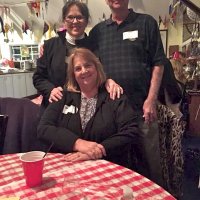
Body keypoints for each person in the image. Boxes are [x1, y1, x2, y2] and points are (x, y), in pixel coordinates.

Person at [89, 0, 166, 186]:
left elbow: (158, 63)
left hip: (142, 108)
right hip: (111, 114)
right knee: (116, 165)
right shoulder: (97, 32)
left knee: (150, 162)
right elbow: (91, 67)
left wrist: (151, 99)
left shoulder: (147, 23)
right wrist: (106, 79)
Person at [37, 48, 140, 168]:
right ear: (73, 74)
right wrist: (78, 143)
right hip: (68, 166)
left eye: (88, 65)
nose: (84, 71)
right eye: (78, 68)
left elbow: (131, 130)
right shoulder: (62, 96)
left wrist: (96, 152)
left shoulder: (114, 95)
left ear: (97, 68)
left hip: (107, 167)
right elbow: (43, 128)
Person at [33, 1, 122, 114]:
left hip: (87, 110)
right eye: (70, 17)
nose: (75, 21)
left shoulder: (95, 46)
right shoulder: (50, 46)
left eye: (79, 17)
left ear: (86, 21)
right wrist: (51, 90)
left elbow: (103, 72)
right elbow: (38, 78)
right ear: (64, 20)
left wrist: (108, 80)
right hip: (55, 108)